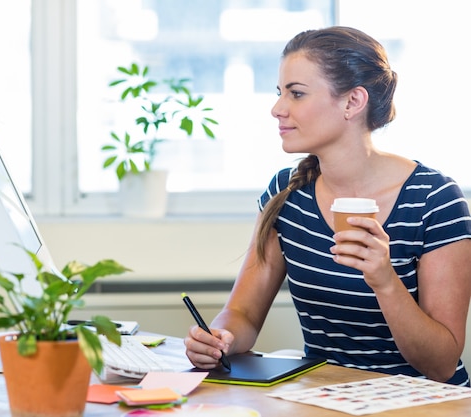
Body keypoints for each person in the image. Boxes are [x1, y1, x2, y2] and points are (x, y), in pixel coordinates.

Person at [184, 26, 471, 386]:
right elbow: (242, 313)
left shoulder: (434, 198)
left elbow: (441, 364)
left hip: (424, 403)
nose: (277, 109)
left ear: (352, 102)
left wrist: (384, 280)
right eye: (280, 93)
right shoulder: (286, 193)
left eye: (297, 94)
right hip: (326, 400)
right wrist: (219, 339)